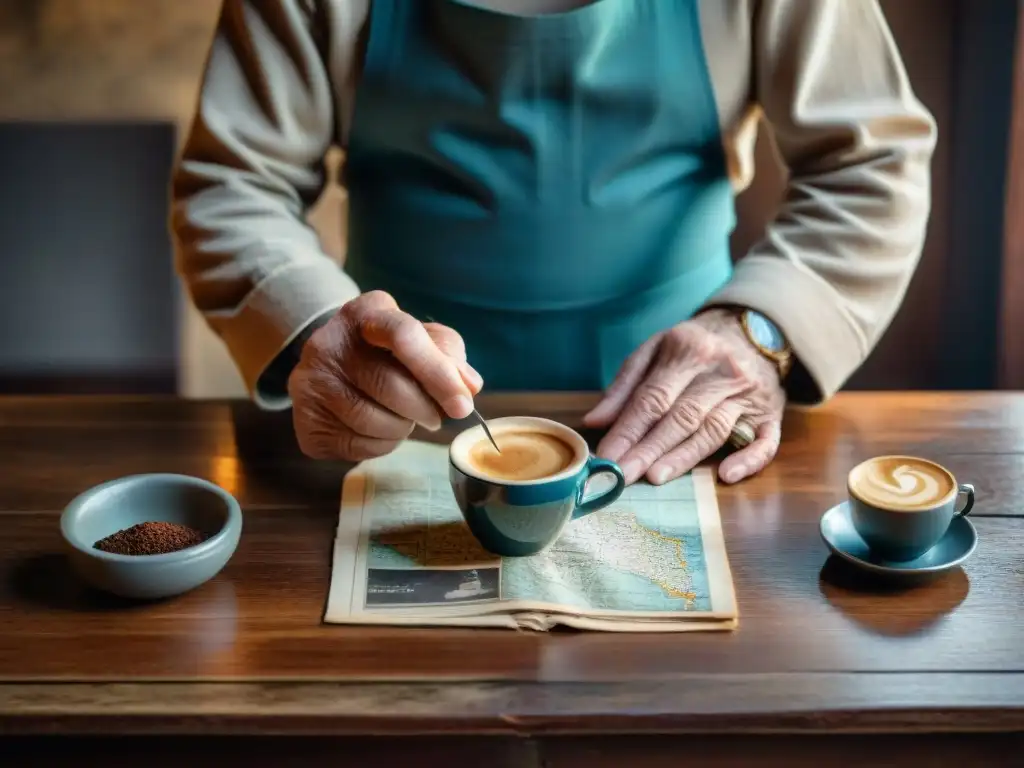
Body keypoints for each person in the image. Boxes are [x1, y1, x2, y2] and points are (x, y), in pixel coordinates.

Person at [172, 0, 936, 486]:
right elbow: (235, 182)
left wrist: (760, 332)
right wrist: (320, 335)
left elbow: (873, 161)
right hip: (384, 430)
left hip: (688, 427)